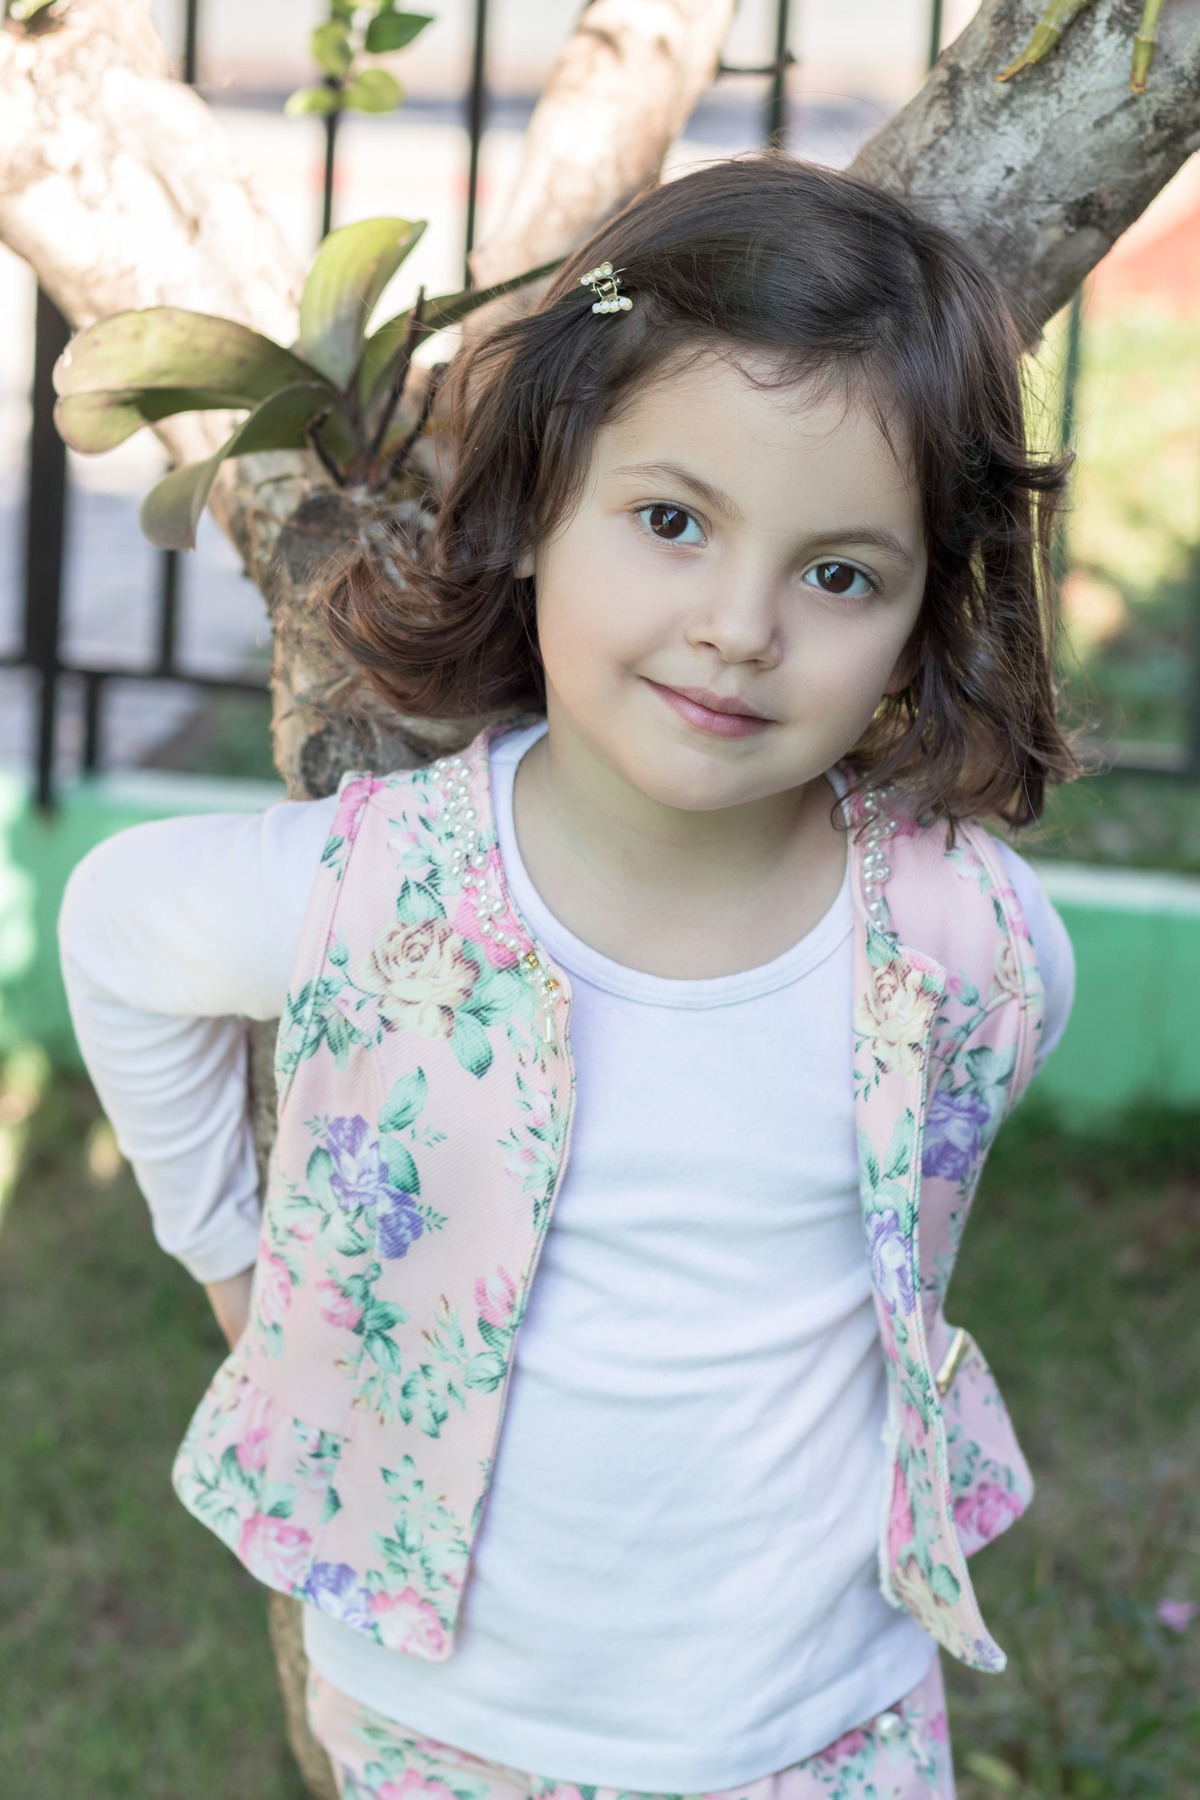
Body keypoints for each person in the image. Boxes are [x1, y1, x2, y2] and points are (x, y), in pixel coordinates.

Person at [59, 154, 1078, 1800]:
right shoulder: (368, 889)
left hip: (829, 1717)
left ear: (918, 619)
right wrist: (238, 1271)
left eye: (839, 573)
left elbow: (998, 1052)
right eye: (672, 522)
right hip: (448, 1728)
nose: (740, 626)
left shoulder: (968, 932)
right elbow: (117, 933)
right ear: (539, 504)